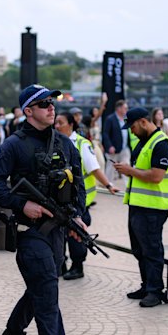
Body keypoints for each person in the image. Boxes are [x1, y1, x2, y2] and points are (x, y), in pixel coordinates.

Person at [0, 84, 86, 335]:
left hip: (57, 231)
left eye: (52, 102)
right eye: (44, 104)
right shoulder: (14, 145)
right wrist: (22, 204)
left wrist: (77, 216)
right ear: (28, 111)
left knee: (40, 289)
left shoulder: (65, 143)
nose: (51, 107)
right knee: (47, 291)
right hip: (29, 232)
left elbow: (78, 183)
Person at [113, 107, 168, 307]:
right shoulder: (142, 142)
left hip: (153, 207)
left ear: (143, 121)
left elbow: (156, 176)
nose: (131, 131)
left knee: (152, 250)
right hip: (138, 205)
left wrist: (129, 170)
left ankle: (155, 291)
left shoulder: (161, 143)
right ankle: (147, 286)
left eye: (132, 126)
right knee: (139, 250)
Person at [54, 111, 118, 280]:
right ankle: (61, 265)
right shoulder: (54, 142)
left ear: (71, 124)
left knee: (76, 236)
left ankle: (77, 267)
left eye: (60, 122)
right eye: (56, 123)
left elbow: (94, 168)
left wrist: (108, 185)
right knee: (60, 235)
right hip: (59, 201)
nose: (57, 126)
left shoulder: (81, 143)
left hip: (78, 203)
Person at [102, 99, 130, 182]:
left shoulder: (126, 119)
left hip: (125, 148)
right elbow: (105, 134)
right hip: (113, 149)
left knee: (126, 166)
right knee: (110, 167)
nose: (127, 110)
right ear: (119, 108)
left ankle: (128, 186)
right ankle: (108, 184)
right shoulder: (110, 119)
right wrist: (109, 146)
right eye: (125, 108)